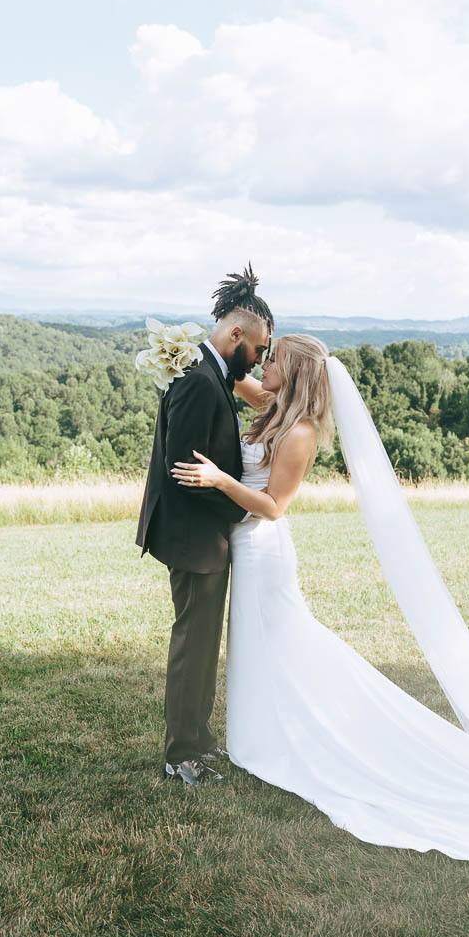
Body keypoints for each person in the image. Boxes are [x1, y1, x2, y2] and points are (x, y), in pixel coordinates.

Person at [170, 333, 469, 864]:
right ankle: (263, 735)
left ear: (295, 374)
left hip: (264, 550)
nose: (263, 363)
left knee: (287, 643)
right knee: (259, 649)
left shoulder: (298, 431)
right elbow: (230, 376)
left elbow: (273, 506)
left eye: (274, 360)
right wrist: (187, 350)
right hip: (246, 549)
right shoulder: (275, 405)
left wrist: (220, 478)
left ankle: (311, 733)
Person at [136, 265, 273, 786]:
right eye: (257, 349)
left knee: (203, 642)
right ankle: (181, 753)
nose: (258, 361)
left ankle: (199, 739)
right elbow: (183, 472)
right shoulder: (198, 380)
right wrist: (240, 510)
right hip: (195, 539)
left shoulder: (213, 372)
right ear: (235, 335)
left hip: (206, 537)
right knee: (193, 646)